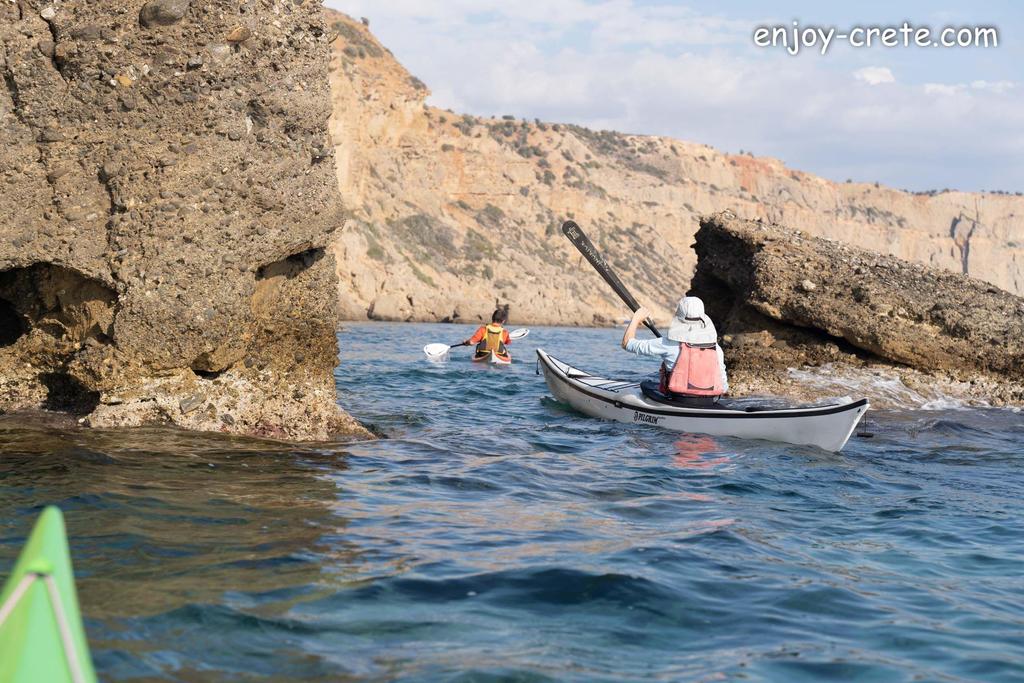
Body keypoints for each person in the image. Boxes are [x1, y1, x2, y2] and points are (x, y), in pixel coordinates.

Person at [621, 296, 728, 405]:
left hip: (678, 399)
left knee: (646, 385)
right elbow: (724, 387)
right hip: (710, 401)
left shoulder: (666, 343)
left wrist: (636, 319)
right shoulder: (716, 348)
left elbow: (627, 343)